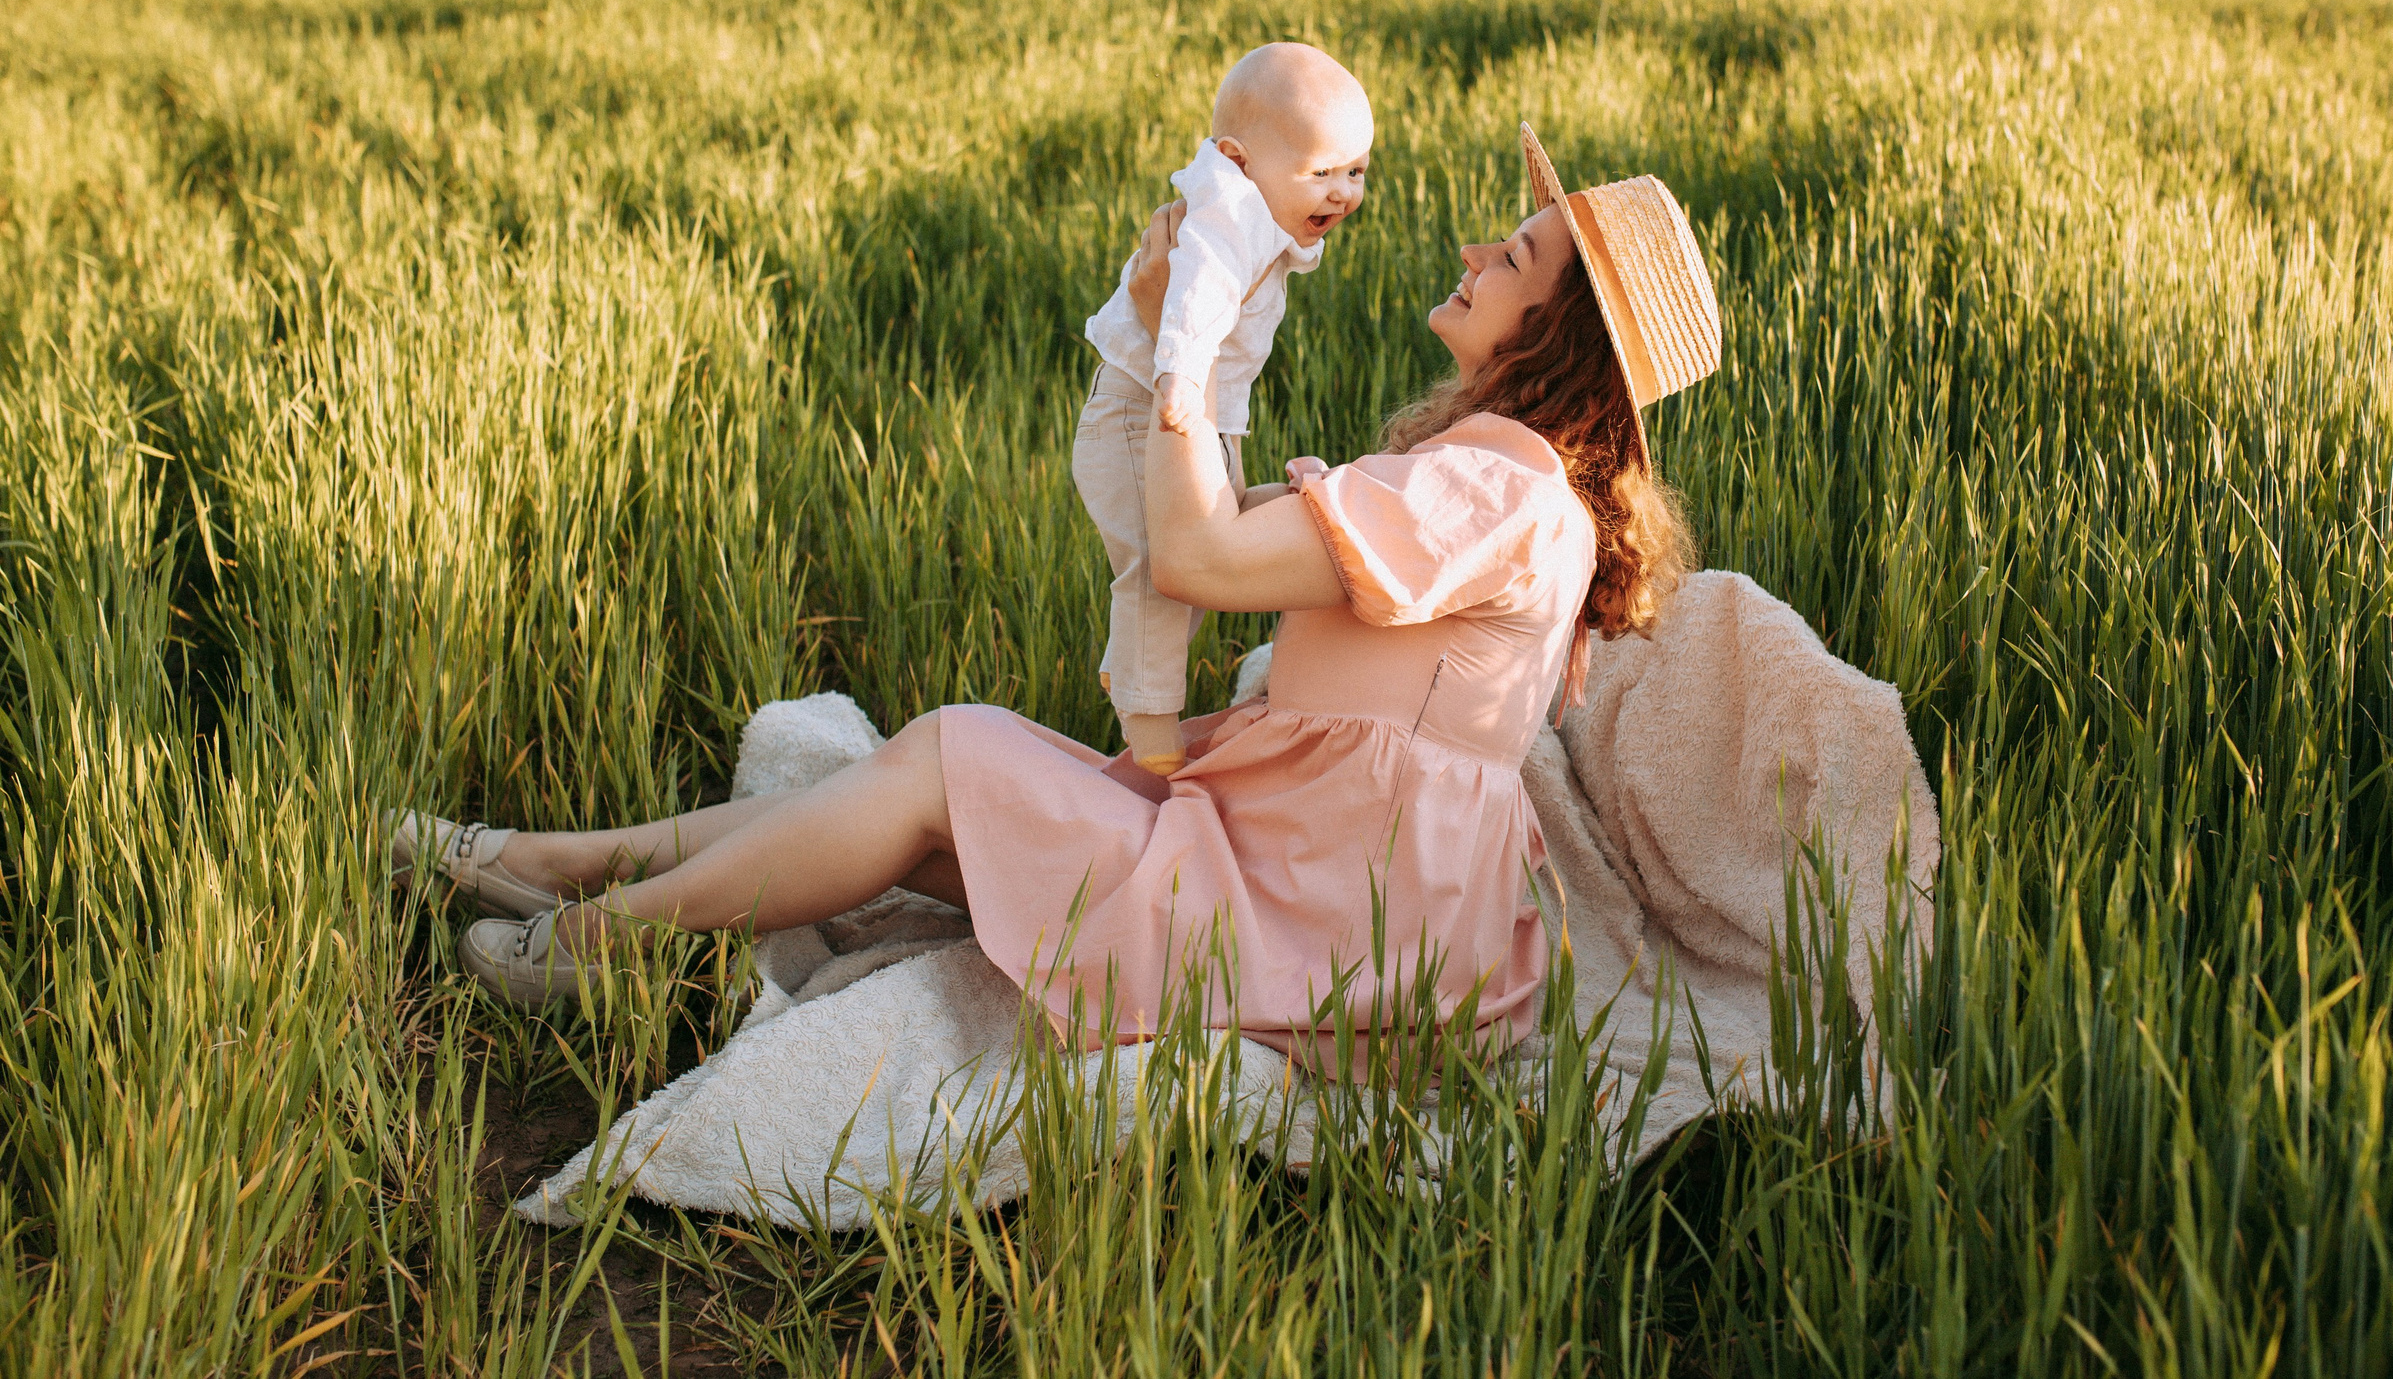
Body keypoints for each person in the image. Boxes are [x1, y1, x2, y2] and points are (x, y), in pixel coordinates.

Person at [391, 124, 1723, 1065]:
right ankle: (532, 866)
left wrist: (1195, 332)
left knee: (948, 762)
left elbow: (1198, 558)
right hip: (1319, 873)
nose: (1484, 245)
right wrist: (1183, 330)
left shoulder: (1496, 486)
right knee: (930, 812)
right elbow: (1204, 526)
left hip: (1326, 911)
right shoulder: (1501, 487)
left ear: (1557, 332)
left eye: (1523, 254)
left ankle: (590, 940)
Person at [1076, 41, 1372, 773]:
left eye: (1357, 171)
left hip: (1196, 413)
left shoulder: (1266, 211)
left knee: (1222, 535)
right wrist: (1179, 379)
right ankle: (1151, 737)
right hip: (1145, 409)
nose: (1342, 193)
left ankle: (1324, 514)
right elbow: (1198, 291)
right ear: (1239, 163)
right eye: (1322, 172)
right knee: (1160, 572)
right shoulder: (1227, 213)